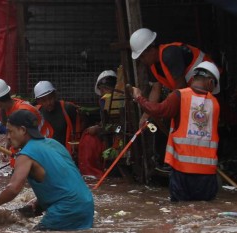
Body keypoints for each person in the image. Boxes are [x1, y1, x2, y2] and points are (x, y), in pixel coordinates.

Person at [0, 110, 94, 231]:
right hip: (86, 205)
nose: (7, 136)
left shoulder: (25, 155)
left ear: (23, 130)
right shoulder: (54, 144)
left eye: (10, 131)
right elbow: (62, 182)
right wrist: (38, 204)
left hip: (65, 210)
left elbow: (13, 189)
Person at [130, 61, 220, 202]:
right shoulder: (215, 104)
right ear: (210, 82)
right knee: (205, 213)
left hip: (182, 173)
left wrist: (139, 98)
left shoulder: (179, 96)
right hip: (207, 175)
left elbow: (157, 110)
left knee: (180, 215)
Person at [129, 28, 213, 108]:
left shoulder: (170, 54)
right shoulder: (153, 65)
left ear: (152, 49)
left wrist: (164, 107)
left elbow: (181, 86)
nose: (142, 60)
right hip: (197, 92)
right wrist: (147, 115)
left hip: (211, 82)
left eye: (142, 56)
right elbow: (155, 89)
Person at [0, 78, 53, 166]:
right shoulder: (9, 107)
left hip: (44, 145)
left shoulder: (22, 112)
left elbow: (27, 139)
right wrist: (6, 148)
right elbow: (9, 132)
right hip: (34, 143)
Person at [77, 70, 123, 178]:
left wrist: (99, 129)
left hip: (117, 136)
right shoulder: (105, 101)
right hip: (111, 135)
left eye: (106, 88)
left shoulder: (117, 101)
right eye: (103, 89)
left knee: (88, 139)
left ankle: (92, 172)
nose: (104, 92)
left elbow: (117, 126)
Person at [33, 80, 82, 154]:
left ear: (55, 96)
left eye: (50, 98)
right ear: (38, 101)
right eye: (44, 100)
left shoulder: (67, 108)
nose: (48, 103)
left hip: (65, 154)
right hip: (46, 155)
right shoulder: (36, 113)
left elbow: (82, 124)